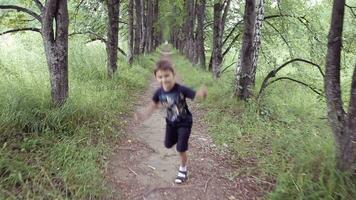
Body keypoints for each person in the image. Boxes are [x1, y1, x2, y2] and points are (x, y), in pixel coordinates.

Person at [134, 58, 207, 184]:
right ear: (156, 78)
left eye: (167, 75)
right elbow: (152, 106)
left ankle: (183, 169)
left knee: (181, 148)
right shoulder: (159, 93)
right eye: (160, 77)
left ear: (173, 75)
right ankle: (179, 141)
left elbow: (196, 95)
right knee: (168, 144)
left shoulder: (181, 89)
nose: (164, 79)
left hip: (185, 122)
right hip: (171, 123)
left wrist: (202, 93)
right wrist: (143, 115)